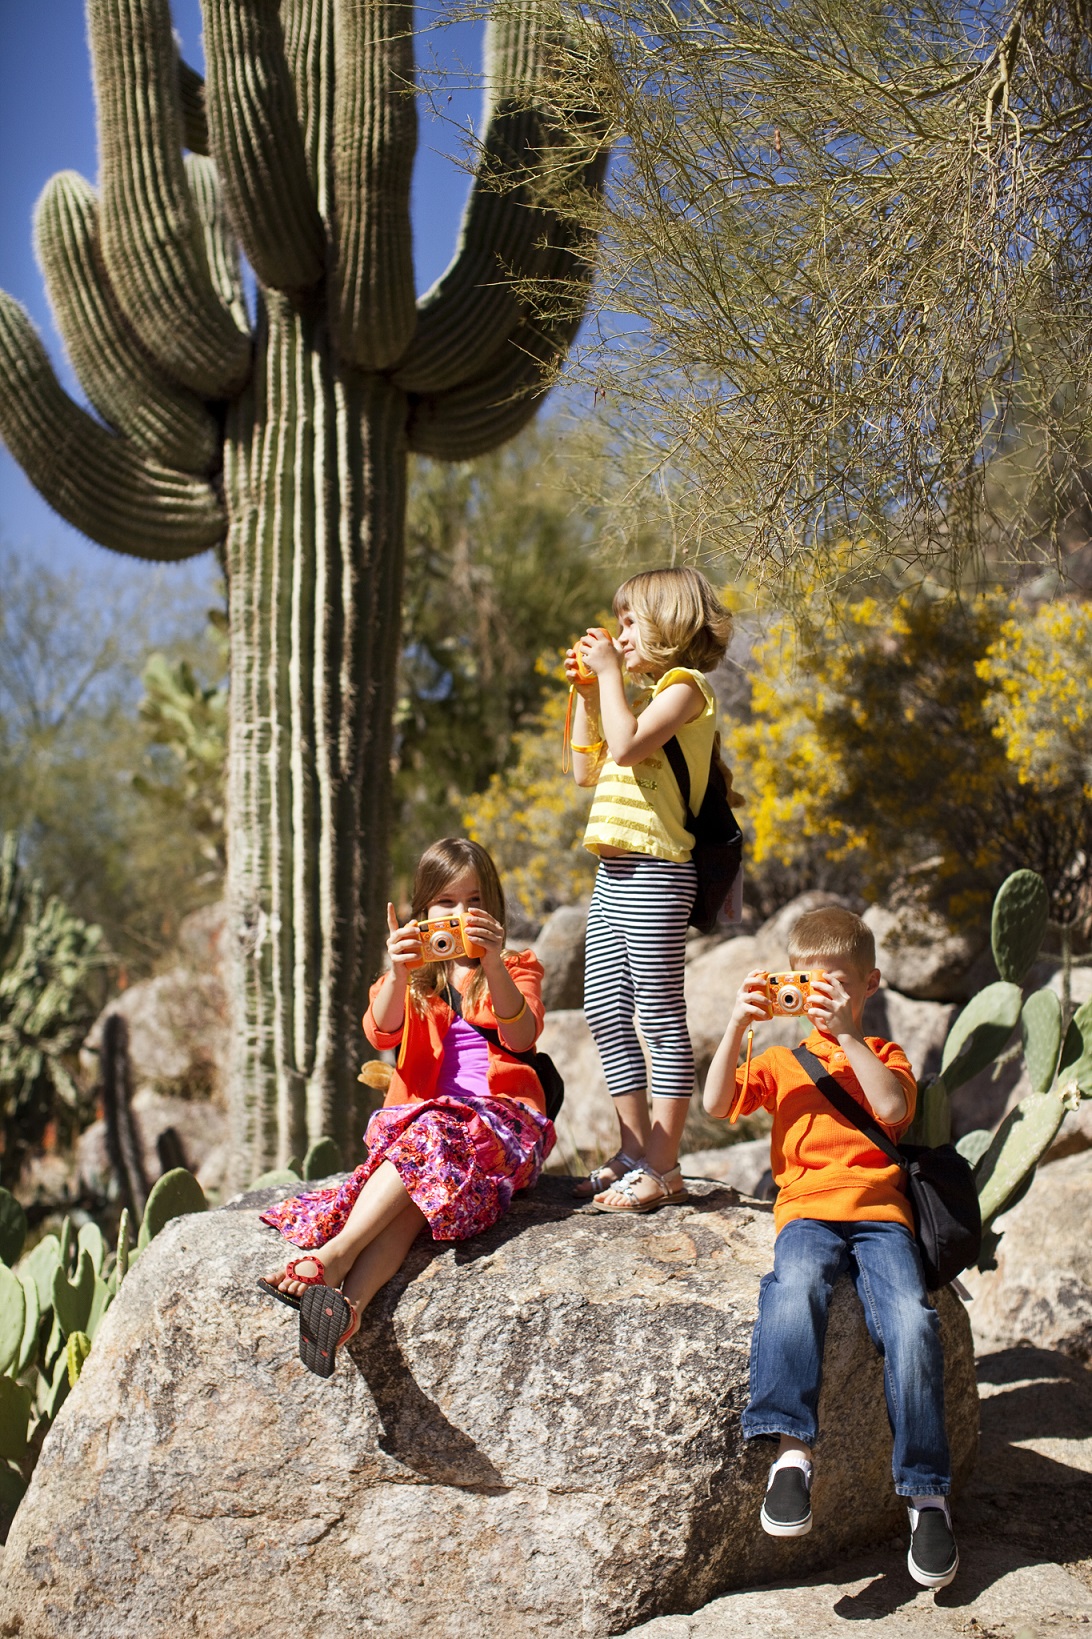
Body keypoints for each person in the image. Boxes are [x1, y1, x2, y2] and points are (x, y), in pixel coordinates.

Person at [702, 907, 958, 1590]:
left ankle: (927, 1496)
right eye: (807, 987)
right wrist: (738, 1023)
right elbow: (715, 1099)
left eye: (835, 987)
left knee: (910, 1321)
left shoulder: (886, 1056)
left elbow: (895, 1110)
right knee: (794, 1288)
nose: (819, 1001)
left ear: (869, 983)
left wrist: (851, 1035)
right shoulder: (782, 1061)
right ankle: (792, 1455)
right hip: (807, 1213)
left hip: (881, 1216)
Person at [258, 837, 554, 1377]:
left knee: (432, 1133)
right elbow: (380, 1030)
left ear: (494, 906)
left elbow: (524, 1032)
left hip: (502, 1126)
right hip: (432, 1135)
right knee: (414, 1196)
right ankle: (351, 1309)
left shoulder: (516, 965)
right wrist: (397, 970)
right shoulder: (415, 978)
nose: (461, 913)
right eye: (445, 902)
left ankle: (337, 1254)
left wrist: (492, 963)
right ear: (423, 911)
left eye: (474, 900)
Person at [565, 565, 736, 1213]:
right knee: (605, 1009)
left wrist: (609, 676)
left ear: (670, 622)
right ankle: (632, 1151)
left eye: (632, 619)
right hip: (614, 874)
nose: (621, 631)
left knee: (660, 1018)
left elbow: (629, 747)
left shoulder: (686, 689)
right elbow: (588, 767)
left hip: (659, 870)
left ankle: (664, 1166)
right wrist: (588, 692)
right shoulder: (630, 699)